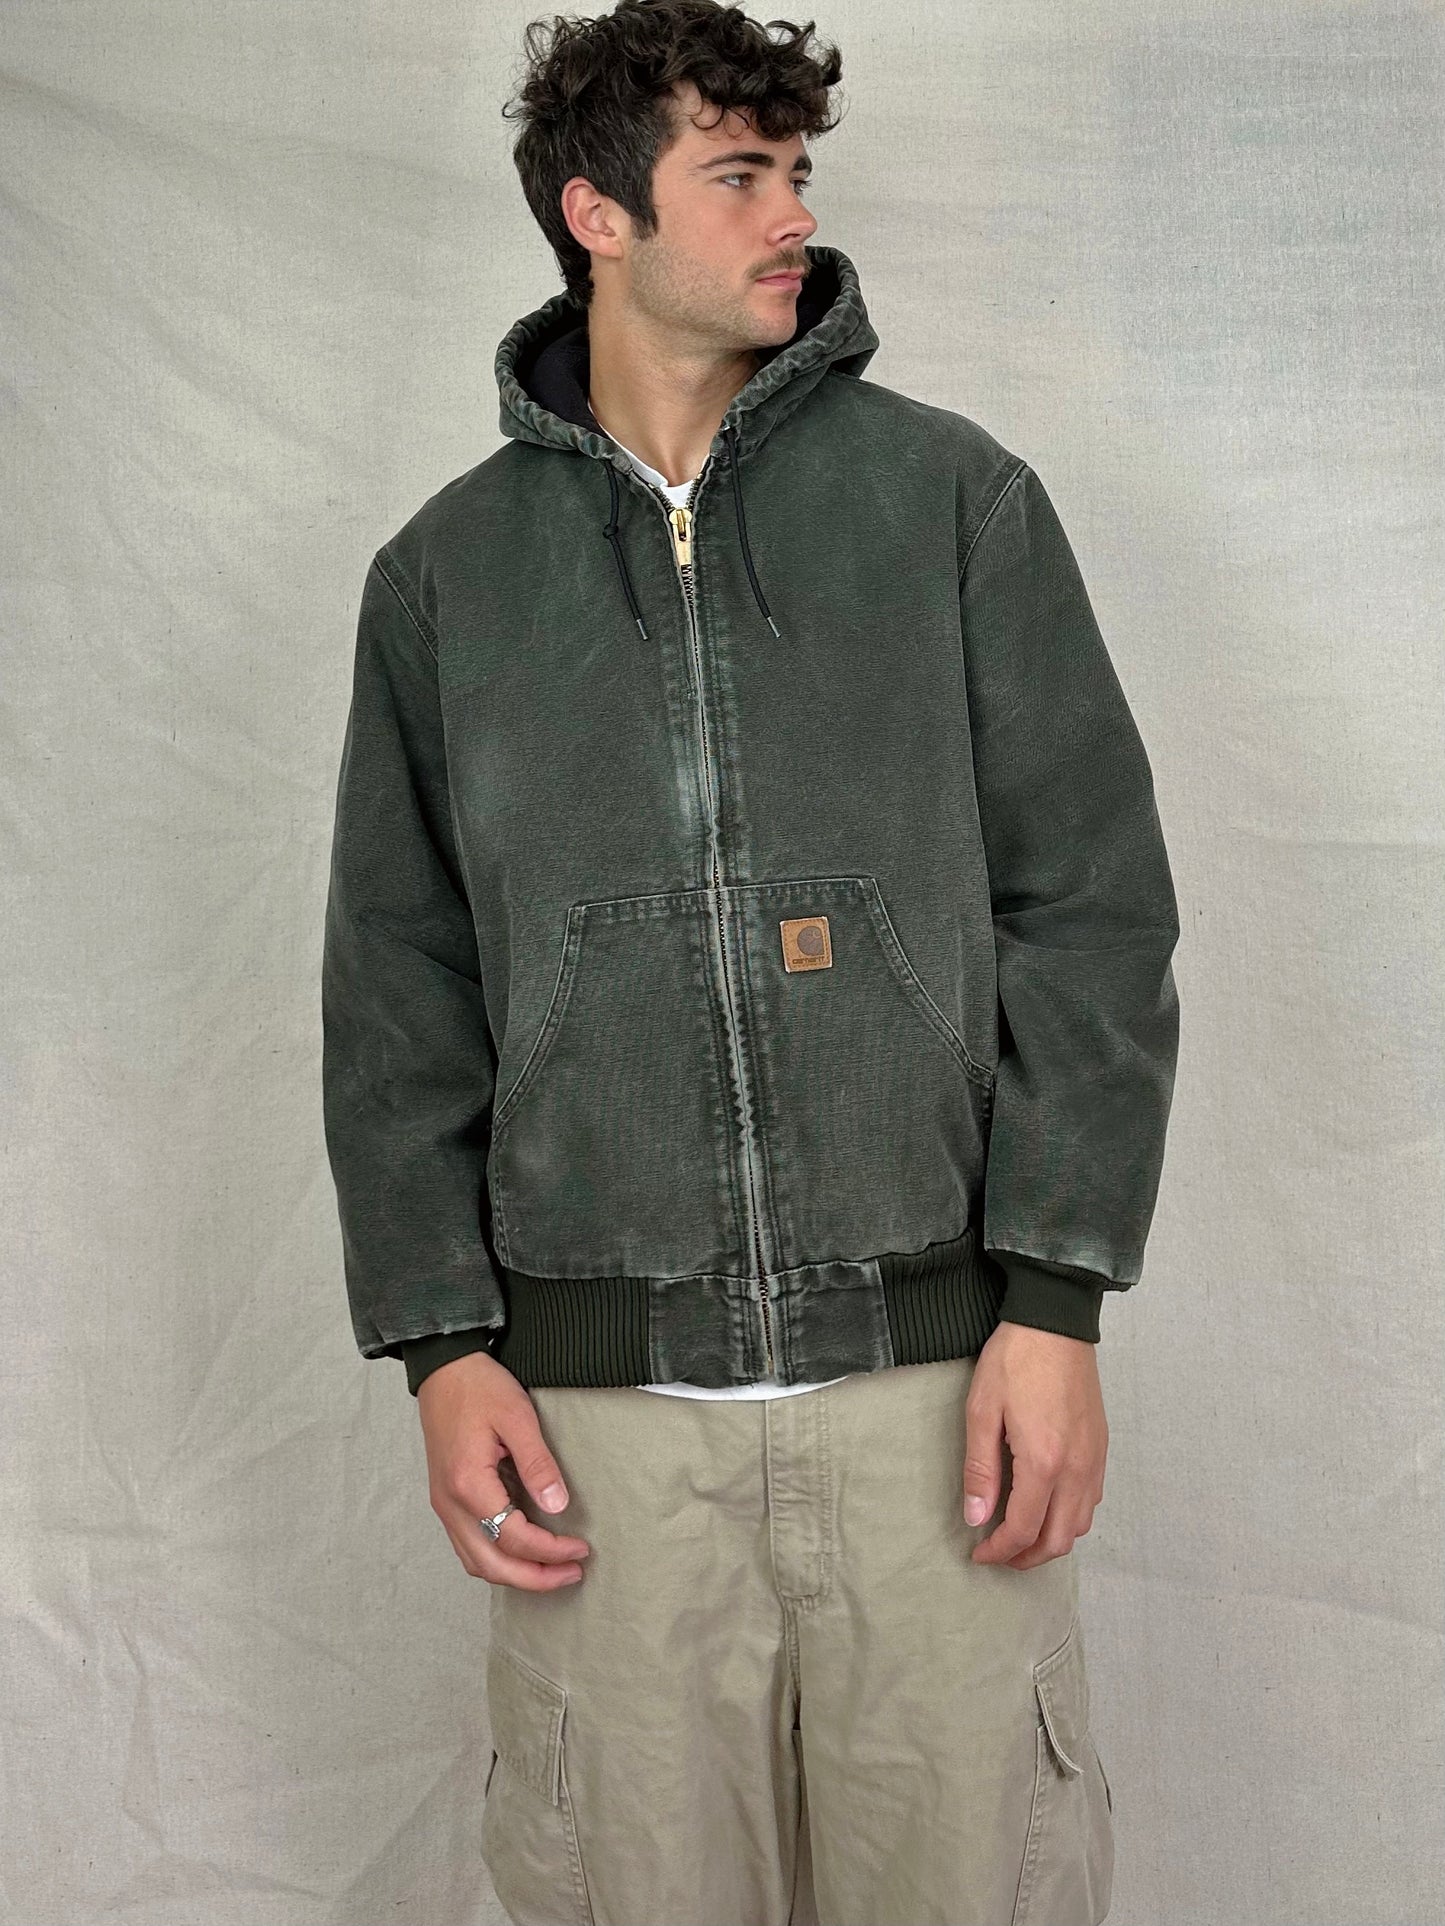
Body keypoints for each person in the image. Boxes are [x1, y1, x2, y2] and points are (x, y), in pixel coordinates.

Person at [320, 3, 1180, 1920]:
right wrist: (440, 1342)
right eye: (737, 174)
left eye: (797, 171)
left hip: (936, 1400)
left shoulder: (951, 502)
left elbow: (1092, 907)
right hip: (601, 1441)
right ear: (597, 216)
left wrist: (1054, 1298)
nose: (792, 212)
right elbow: (398, 983)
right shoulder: (446, 580)